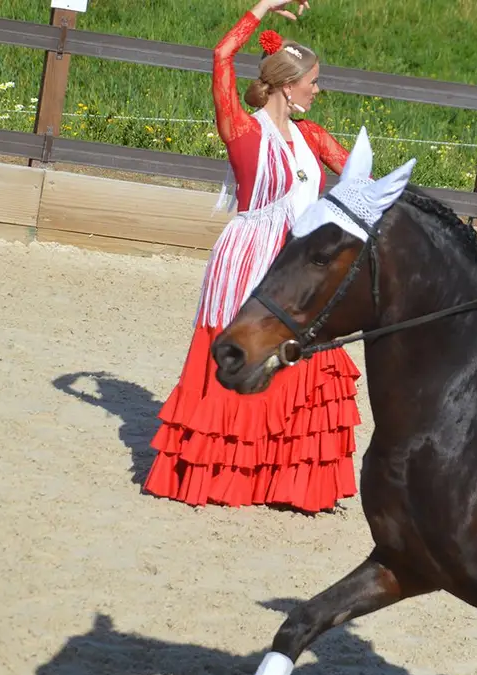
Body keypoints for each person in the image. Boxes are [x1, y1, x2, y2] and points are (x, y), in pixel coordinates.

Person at [142, 0, 362, 514]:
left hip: (298, 259)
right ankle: (221, 477)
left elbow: (359, 178)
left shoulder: (310, 136)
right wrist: (261, 8)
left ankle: (288, 480)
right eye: (312, 80)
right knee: (244, 353)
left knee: (310, 356)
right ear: (289, 85)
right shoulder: (244, 133)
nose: (316, 88)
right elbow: (221, 55)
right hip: (249, 257)